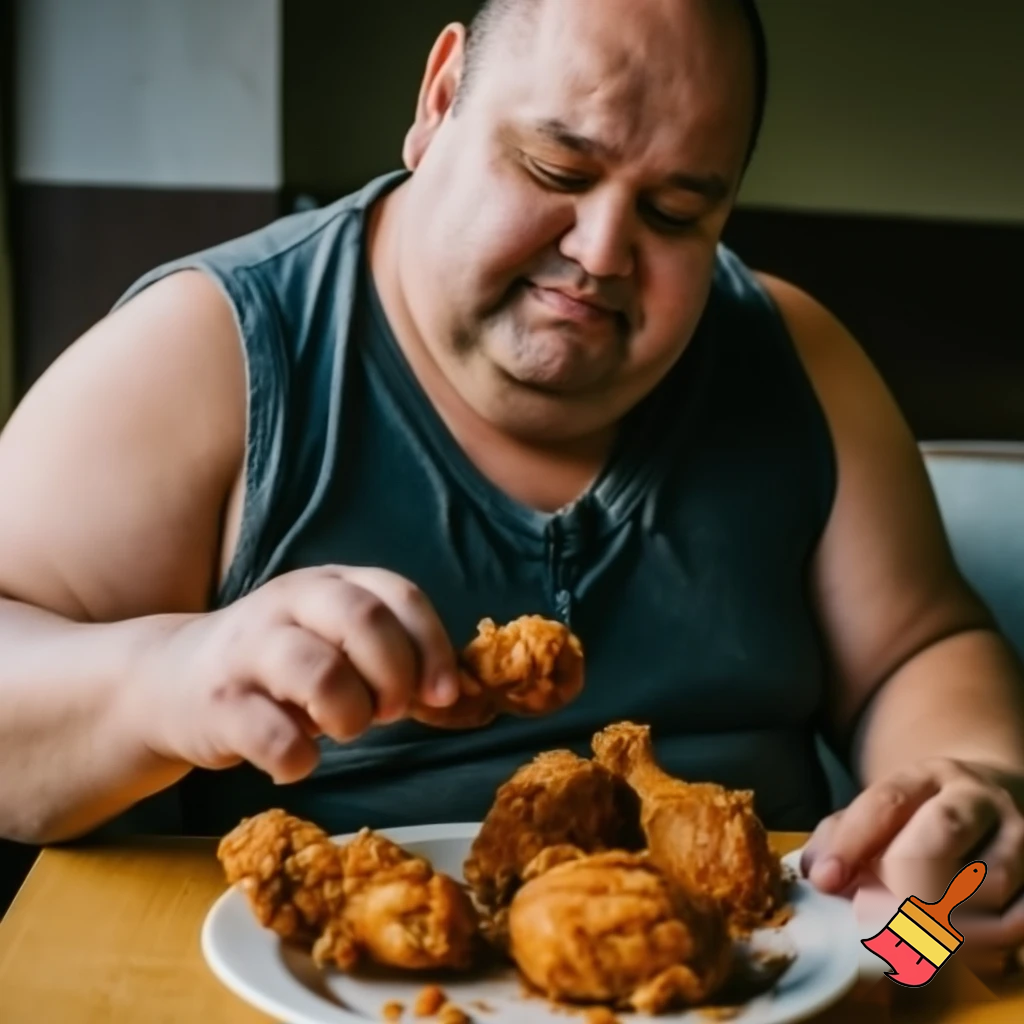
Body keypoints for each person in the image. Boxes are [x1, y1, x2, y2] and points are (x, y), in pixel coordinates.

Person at [1, 0, 1023, 957]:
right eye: (555, 169)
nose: (602, 250)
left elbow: (918, 647)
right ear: (439, 101)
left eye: (673, 214)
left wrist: (967, 804)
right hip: (355, 986)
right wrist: (166, 677)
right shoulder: (206, 351)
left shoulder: (799, 357)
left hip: (777, 977)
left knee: (955, 967)